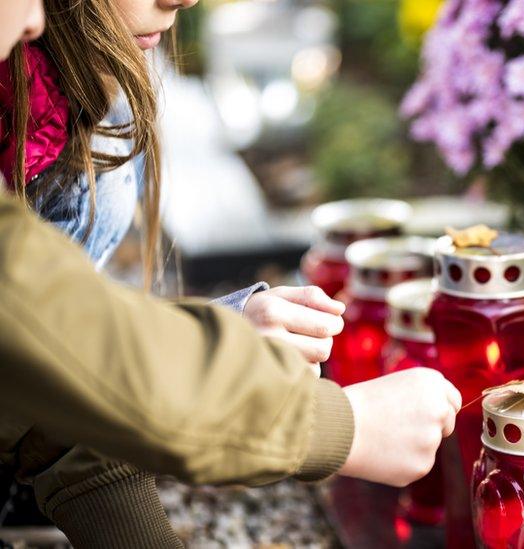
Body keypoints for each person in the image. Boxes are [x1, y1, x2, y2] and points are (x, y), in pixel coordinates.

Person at [0, 1, 461, 546]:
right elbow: (53, 335)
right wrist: (340, 426)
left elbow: (58, 356)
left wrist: (211, 337)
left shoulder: (61, 85)